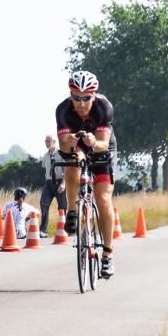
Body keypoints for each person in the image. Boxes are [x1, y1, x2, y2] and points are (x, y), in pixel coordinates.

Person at [57, 70, 117, 278]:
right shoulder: (63, 110)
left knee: (103, 199)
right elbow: (63, 147)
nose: (81, 103)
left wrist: (94, 142)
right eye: (76, 98)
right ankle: (72, 210)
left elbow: (103, 143)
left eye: (86, 98)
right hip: (77, 145)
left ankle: (107, 255)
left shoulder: (103, 107)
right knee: (72, 159)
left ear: (94, 95)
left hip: (101, 146)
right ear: (70, 95)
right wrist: (69, 141)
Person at [39, 134, 67, 237]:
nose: (47, 143)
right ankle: (43, 230)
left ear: (54, 142)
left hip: (59, 181)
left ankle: (65, 229)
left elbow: (65, 169)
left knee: (62, 206)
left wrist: (63, 183)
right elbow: (46, 169)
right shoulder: (45, 156)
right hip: (48, 182)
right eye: (45, 141)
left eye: (48, 141)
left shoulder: (60, 154)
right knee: (44, 203)